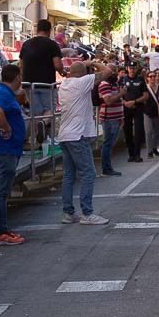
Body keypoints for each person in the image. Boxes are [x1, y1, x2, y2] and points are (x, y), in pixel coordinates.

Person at [58, 60, 110, 225]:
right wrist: (94, 62)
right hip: (77, 135)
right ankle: (87, 213)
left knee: (69, 175)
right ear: (84, 72)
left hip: (65, 134)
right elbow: (108, 71)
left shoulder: (64, 85)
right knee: (88, 173)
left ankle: (68, 212)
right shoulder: (82, 82)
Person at [0, 63, 26, 246]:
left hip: (8, 149)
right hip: (4, 149)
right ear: (17, 76)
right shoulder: (3, 94)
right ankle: (0, 231)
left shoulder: (5, 93)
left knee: (3, 190)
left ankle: (2, 229)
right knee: (1, 191)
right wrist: (7, 128)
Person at [19, 19, 64, 127]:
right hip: (46, 84)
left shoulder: (26, 44)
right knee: (50, 110)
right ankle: (43, 125)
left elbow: (21, 65)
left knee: (35, 113)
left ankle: (36, 141)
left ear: (37, 29)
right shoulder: (53, 45)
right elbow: (57, 65)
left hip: (28, 84)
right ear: (49, 31)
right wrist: (63, 72)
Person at [143, 70, 159, 159]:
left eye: (154, 76)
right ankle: (149, 151)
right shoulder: (145, 88)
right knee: (149, 132)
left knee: (157, 132)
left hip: (157, 113)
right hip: (147, 112)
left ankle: (154, 147)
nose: (152, 78)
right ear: (147, 78)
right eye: (150, 76)